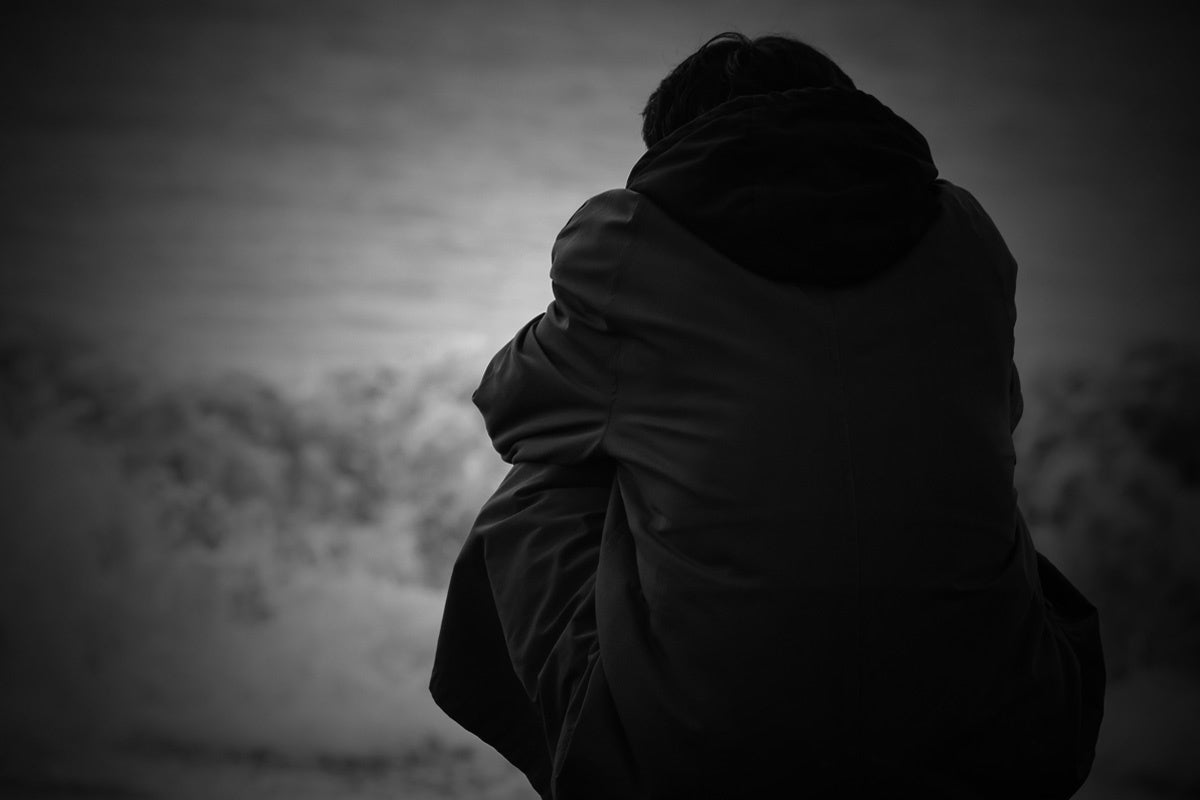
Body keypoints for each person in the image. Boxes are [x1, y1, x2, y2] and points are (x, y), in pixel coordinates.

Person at [430, 32, 1105, 800]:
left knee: (548, 478)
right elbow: (1000, 414)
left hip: (713, 756)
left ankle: (596, 763)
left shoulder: (632, 243)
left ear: (674, 149)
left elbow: (511, 410)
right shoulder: (969, 237)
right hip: (1001, 734)